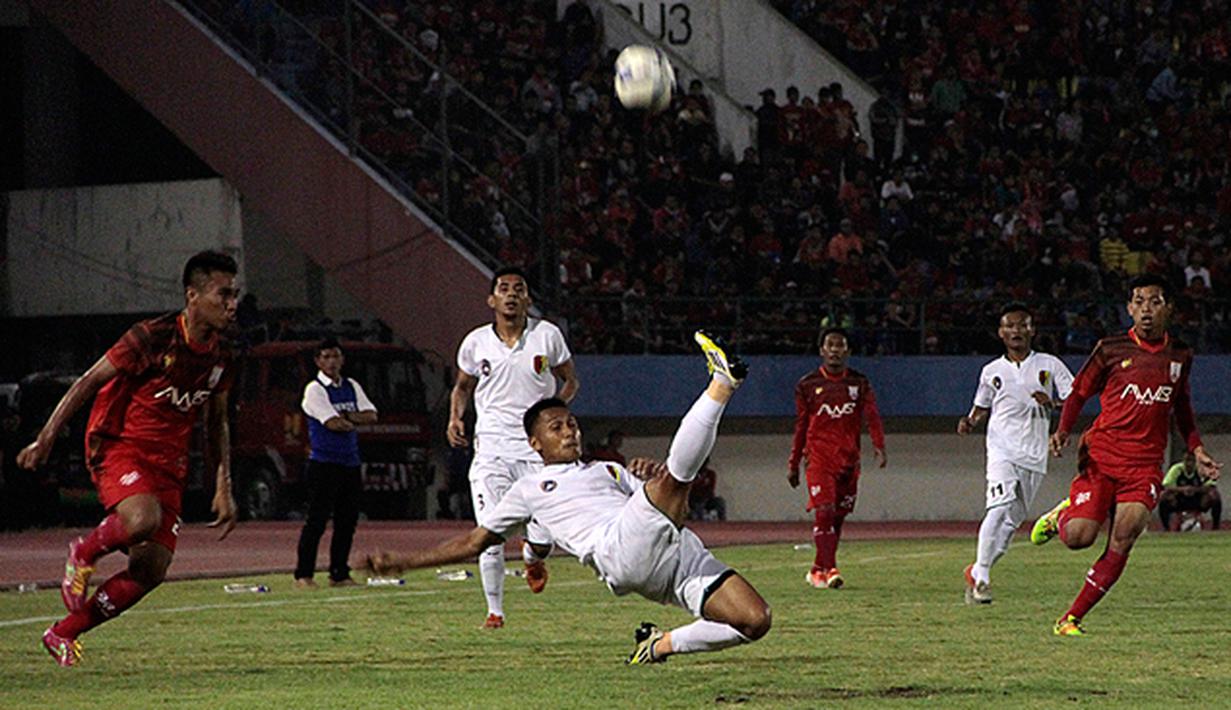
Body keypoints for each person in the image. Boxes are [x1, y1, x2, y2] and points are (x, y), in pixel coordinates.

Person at [366, 332, 771, 663]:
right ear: (534, 442)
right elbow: (475, 541)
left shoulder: (606, 469)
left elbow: (660, 504)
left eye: (572, 423)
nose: (570, 431)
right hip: (617, 551)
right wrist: (406, 562)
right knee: (678, 481)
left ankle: (660, 644)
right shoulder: (529, 488)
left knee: (755, 620)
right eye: (556, 427)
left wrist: (652, 478)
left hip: (676, 558)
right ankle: (722, 383)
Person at [18, 250, 240, 666]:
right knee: (141, 520)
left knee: (151, 570)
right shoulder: (150, 337)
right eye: (223, 294)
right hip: (120, 445)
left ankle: (62, 632)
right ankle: (83, 552)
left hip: (169, 465)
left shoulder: (224, 353)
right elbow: (88, 381)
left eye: (235, 295)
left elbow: (218, 422)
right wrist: (45, 437)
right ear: (193, 296)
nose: (232, 304)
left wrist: (223, 486)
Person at [1031, 274, 1222, 636]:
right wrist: (1062, 431)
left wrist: (1196, 448)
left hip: (1145, 465)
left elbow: (1181, 406)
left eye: (1154, 301)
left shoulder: (1180, 354)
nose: (1146, 309)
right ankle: (1063, 515)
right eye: (1139, 301)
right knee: (1079, 537)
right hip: (1103, 456)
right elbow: (1078, 393)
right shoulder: (1110, 349)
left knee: (1125, 534)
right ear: (1129, 308)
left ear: (1168, 308)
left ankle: (1070, 618)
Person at [448, 266, 580, 628]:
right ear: (492, 299)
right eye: (503, 288)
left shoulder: (547, 336)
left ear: (528, 299)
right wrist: (455, 418)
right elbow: (461, 387)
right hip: (491, 449)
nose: (511, 294)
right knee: (489, 530)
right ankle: (495, 612)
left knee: (544, 533)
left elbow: (570, 380)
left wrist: (553, 415)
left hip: (535, 451)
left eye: (518, 289)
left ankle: (534, 556)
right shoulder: (476, 342)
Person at [956, 304, 1074, 604]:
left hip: (1034, 454)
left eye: (1022, 326)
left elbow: (1074, 400)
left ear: (1032, 330)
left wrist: (1051, 404)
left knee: (1011, 525)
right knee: (998, 506)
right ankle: (982, 578)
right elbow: (982, 406)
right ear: (1000, 332)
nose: (1016, 331)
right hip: (1001, 450)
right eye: (1009, 326)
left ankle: (978, 569)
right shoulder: (991, 371)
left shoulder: (1050, 365)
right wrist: (970, 421)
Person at [788, 327, 887, 589]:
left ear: (848, 351)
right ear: (822, 350)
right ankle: (831, 569)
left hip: (849, 461)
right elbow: (801, 425)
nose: (835, 350)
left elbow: (872, 415)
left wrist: (879, 445)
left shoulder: (859, 383)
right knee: (824, 511)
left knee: (838, 517)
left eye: (840, 345)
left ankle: (816, 569)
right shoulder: (807, 384)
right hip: (819, 459)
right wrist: (794, 463)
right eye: (830, 345)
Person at [293, 338, 378, 589]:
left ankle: (339, 573)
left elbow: (372, 414)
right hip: (324, 463)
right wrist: (352, 421)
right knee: (316, 521)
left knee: (347, 522)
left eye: (335, 356)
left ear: (342, 359)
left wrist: (348, 417)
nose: (332, 362)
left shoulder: (351, 386)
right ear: (318, 361)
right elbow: (331, 423)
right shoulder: (315, 389)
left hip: (349, 462)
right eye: (326, 357)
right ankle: (304, 574)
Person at [1159, 452, 1220, 531]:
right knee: (1164, 496)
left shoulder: (1201, 470)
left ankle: (1215, 527)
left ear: (1196, 461)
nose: (1189, 464)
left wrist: (1194, 490)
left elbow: (1211, 486)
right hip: (1179, 499)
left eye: (1192, 461)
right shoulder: (1176, 469)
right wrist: (1183, 489)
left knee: (1215, 495)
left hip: (1197, 499)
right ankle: (1166, 528)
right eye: (1187, 460)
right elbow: (1166, 486)